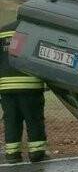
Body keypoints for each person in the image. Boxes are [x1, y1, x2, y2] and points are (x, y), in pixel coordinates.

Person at [0, 22, 47, 163]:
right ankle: (36, 153)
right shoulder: (35, 30)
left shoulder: (2, 31)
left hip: (6, 86)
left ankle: (12, 154)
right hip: (30, 85)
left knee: (11, 120)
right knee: (33, 119)